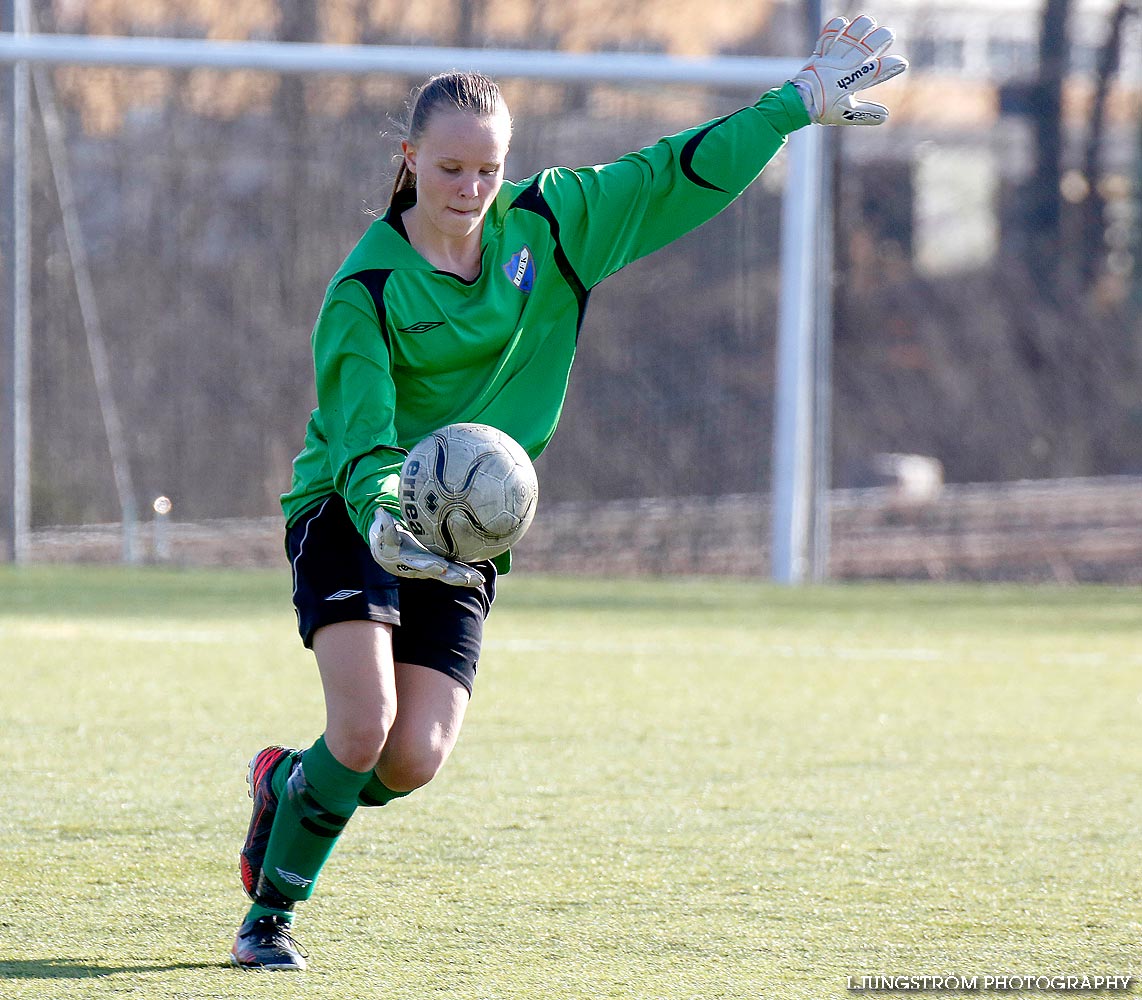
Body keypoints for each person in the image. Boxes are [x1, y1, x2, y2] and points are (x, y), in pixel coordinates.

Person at [229, 13, 907, 971]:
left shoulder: (551, 228)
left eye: (487, 170)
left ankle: (289, 785)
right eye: (450, 167)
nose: (469, 189)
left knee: (410, 758)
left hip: (466, 532)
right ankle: (270, 915)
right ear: (410, 157)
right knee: (364, 723)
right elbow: (360, 434)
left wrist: (790, 107)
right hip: (356, 513)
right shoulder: (366, 289)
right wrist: (386, 509)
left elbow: (674, 171)